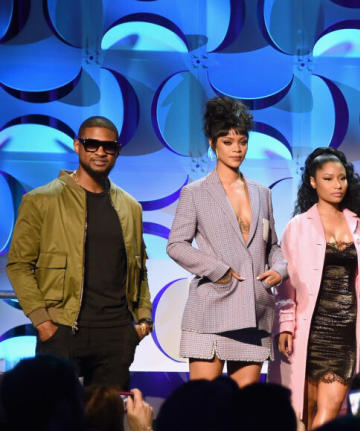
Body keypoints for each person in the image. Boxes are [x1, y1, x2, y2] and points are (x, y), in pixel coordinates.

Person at [7, 116, 152, 389]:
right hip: (61, 329)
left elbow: (138, 268)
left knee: (107, 425)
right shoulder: (41, 200)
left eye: (108, 146)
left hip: (116, 333)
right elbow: (19, 265)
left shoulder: (131, 206)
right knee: (53, 422)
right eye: (92, 144)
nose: (100, 152)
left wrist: (142, 321)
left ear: (117, 151)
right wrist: (43, 321)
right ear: (77, 146)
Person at [167, 97, 286, 388]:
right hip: (212, 306)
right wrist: (217, 269)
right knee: (201, 408)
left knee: (242, 412)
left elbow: (274, 246)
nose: (237, 149)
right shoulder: (195, 193)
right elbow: (176, 244)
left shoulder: (262, 193)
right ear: (213, 144)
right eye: (228, 142)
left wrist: (280, 270)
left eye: (242, 142)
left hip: (254, 309)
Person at [270, 147, 360, 429]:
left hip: (346, 331)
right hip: (308, 330)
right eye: (329, 178)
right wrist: (285, 325)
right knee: (303, 410)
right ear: (313, 181)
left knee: (331, 410)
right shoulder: (297, 227)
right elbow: (286, 286)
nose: (337, 185)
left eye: (342, 178)